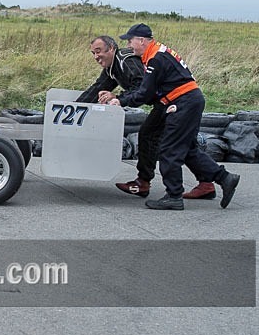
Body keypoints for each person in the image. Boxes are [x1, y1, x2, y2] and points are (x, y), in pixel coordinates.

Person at [108, 23, 239, 210]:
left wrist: (121, 100)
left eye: (131, 40)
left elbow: (145, 93)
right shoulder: (155, 53)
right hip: (182, 101)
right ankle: (221, 179)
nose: (129, 45)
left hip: (183, 102)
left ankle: (174, 195)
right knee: (178, 144)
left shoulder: (155, 58)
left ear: (142, 40)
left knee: (170, 148)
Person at [76, 35, 215, 199]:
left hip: (175, 101)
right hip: (167, 102)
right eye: (93, 53)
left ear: (112, 49)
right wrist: (74, 108)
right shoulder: (111, 68)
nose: (96, 57)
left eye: (98, 51)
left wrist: (118, 98)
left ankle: (148, 184)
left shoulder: (125, 60)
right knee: (183, 143)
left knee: (154, 138)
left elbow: (142, 87)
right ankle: (207, 184)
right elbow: (97, 89)